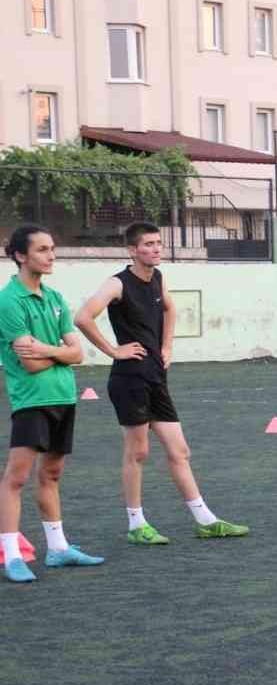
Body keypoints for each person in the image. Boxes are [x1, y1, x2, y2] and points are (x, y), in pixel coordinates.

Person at [73, 222, 249, 544]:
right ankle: (136, 525)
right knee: (138, 452)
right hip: (129, 380)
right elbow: (83, 317)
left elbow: (170, 307)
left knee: (180, 451)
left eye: (159, 243)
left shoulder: (158, 278)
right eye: (149, 244)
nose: (157, 249)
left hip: (155, 376)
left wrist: (167, 346)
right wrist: (114, 350)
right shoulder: (117, 284)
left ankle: (205, 520)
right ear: (132, 250)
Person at [0, 225, 103, 583]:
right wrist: (58, 353)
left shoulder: (55, 297)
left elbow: (78, 353)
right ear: (20, 256)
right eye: (43, 250)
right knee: (16, 477)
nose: (51, 255)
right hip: (32, 399)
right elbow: (29, 363)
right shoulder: (8, 301)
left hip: (64, 395)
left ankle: (58, 549)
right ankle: (12, 557)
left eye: (53, 249)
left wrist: (47, 350)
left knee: (52, 474)